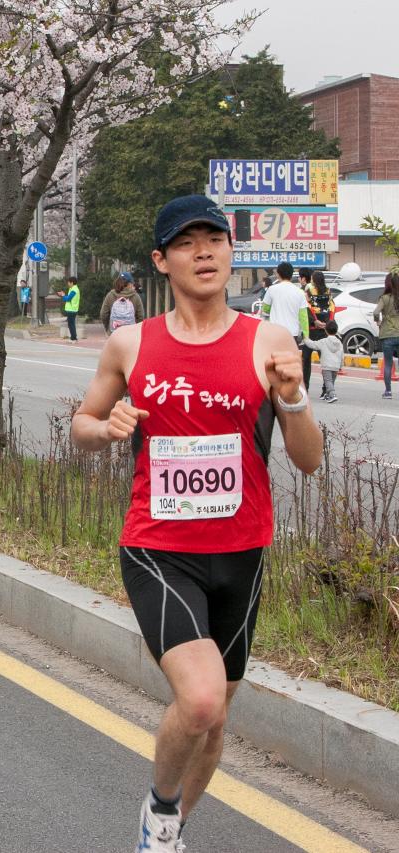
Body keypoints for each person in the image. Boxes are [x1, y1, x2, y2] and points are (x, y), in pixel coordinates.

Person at [70, 195, 321, 853]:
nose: (204, 251)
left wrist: (292, 398)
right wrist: (107, 425)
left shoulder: (268, 340)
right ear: (162, 259)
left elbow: (309, 460)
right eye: (187, 241)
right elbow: (81, 424)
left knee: (214, 717)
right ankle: (158, 810)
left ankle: (171, 833)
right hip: (159, 546)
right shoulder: (133, 342)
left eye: (215, 238)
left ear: (231, 252)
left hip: (243, 549)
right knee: (203, 698)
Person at [259, 261, 307, 348]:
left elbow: (265, 309)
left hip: (275, 332)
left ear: (278, 274)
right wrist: (306, 336)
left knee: (275, 358)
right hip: (292, 333)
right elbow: (303, 317)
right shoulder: (300, 292)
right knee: (290, 359)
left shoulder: (272, 289)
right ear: (291, 275)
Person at [302, 271, 334, 390]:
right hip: (324, 330)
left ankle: (305, 387)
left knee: (306, 360)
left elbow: (306, 307)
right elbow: (332, 308)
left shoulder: (309, 290)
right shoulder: (328, 290)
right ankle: (326, 388)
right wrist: (327, 323)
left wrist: (315, 321)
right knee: (326, 361)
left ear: (313, 280)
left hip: (311, 330)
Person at [373, 271, 399, 400]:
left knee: (388, 363)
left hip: (387, 334)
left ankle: (388, 391)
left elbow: (376, 312)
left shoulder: (385, 298)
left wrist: (378, 321)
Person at [303, 319, 343, 403]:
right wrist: (340, 366)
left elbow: (313, 344)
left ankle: (332, 395)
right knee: (331, 381)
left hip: (327, 366)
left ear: (325, 330)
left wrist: (306, 339)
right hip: (336, 366)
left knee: (328, 381)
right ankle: (327, 395)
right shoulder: (339, 342)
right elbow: (342, 355)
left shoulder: (324, 341)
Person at [58, 275, 81, 341]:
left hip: (72, 310)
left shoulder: (74, 290)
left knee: (71, 324)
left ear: (72, 283)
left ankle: (73, 338)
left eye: (68, 282)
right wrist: (64, 295)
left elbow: (68, 299)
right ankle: (74, 337)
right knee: (71, 324)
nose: (68, 284)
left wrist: (63, 295)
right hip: (73, 309)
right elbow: (69, 297)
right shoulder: (73, 289)